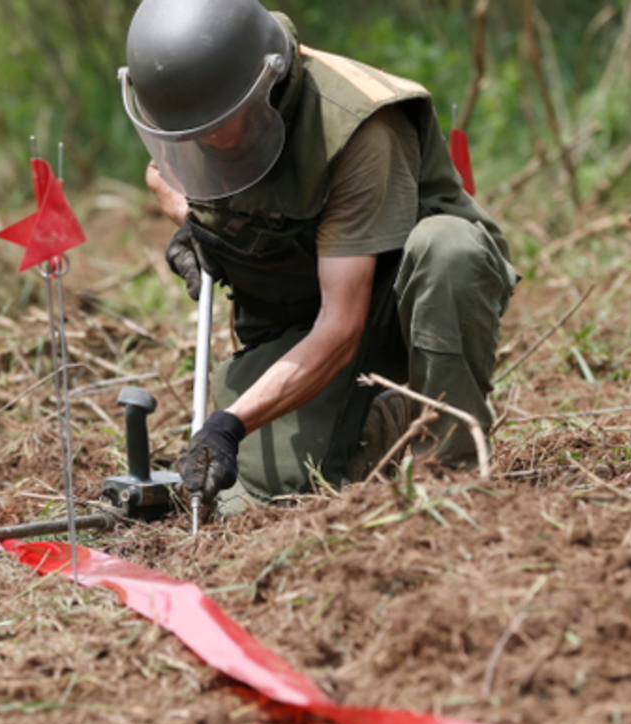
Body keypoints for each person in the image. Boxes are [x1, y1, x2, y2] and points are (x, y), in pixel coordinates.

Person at [119, 0, 516, 510]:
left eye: (222, 125)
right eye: (194, 132)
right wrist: (194, 224)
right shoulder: (202, 100)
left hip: (395, 309)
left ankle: (451, 467)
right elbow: (161, 173)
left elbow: (341, 325)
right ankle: (376, 420)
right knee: (260, 494)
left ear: (266, 81)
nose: (209, 141)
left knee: (448, 248)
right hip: (291, 318)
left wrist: (229, 424)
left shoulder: (358, 128)